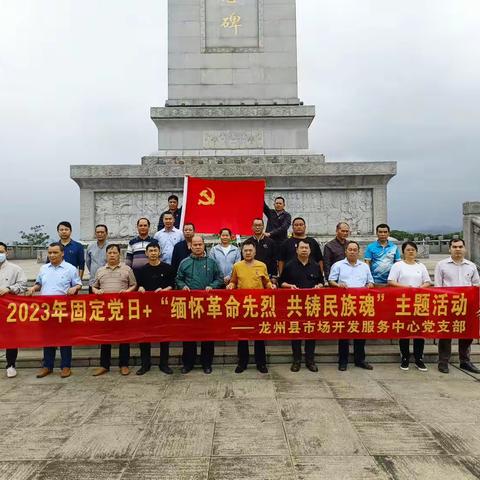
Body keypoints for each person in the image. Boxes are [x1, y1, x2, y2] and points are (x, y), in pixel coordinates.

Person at [27, 243, 82, 378]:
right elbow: (39, 283)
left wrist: (75, 288)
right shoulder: (44, 268)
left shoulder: (70, 268)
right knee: (48, 338)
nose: (52, 255)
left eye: (55, 252)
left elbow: (78, 283)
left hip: (63, 309)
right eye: (50, 253)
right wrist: (33, 289)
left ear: (62, 253)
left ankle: (65, 366)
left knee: (64, 338)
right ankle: (47, 366)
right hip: (46, 309)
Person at [176, 235, 224, 374]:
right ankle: (188, 363)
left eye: (200, 244)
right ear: (190, 246)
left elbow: (219, 278)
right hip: (190, 305)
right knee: (189, 335)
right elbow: (178, 279)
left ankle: (206, 363)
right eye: (195, 244)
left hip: (208, 304)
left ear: (204, 246)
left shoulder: (212, 262)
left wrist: (212, 286)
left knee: (207, 335)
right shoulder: (184, 262)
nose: (197, 247)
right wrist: (182, 286)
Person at [227, 240, 275, 374]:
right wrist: (230, 286)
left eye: (250, 250)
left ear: (255, 252)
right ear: (242, 252)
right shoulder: (237, 266)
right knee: (242, 336)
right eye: (245, 251)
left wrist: (271, 286)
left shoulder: (262, 265)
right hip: (243, 306)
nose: (248, 253)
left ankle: (261, 363)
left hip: (258, 306)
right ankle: (242, 363)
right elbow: (233, 281)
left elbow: (266, 283)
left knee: (259, 336)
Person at [435, 238, 480, 374]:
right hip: (447, 304)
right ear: (450, 249)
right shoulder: (441, 265)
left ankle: (465, 361)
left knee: (467, 333)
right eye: (454, 247)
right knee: (445, 333)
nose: (458, 249)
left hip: (467, 305)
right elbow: (438, 286)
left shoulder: (471, 266)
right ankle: (443, 362)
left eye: (460, 247)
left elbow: (477, 286)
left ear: (464, 248)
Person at [91, 244, 137, 376]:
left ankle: (124, 364)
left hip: (122, 309)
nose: (112, 255)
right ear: (106, 255)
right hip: (106, 310)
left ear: (119, 254)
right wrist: (97, 291)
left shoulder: (127, 269)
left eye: (114, 253)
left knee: (124, 338)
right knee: (106, 338)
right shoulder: (100, 270)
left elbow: (134, 284)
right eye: (109, 253)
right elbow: (94, 286)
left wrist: (127, 291)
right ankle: (104, 365)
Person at [329, 241, 374, 371]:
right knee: (344, 333)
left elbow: (370, 281)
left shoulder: (364, 266)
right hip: (345, 303)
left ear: (359, 252)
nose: (352, 252)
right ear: (346, 251)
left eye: (355, 250)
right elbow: (331, 281)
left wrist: (369, 285)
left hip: (361, 303)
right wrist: (338, 285)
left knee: (360, 332)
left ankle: (360, 360)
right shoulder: (338, 265)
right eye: (350, 249)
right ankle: (343, 361)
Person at [280, 239, 324, 372]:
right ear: (297, 250)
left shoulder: (315, 265)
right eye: (302, 248)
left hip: (312, 304)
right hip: (295, 305)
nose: (304, 250)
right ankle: (297, 360)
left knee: (311, 332)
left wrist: (319, 286)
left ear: (310, 251)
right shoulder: (289, 265)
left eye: (306, 248)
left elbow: (322, 282)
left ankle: (310, 360)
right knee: (296, 332)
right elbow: (281, 283)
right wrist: (289, 286)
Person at [388, 241, 431, 371]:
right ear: (403, 252)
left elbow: (428, 281)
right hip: (403, 302)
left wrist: (419, 288)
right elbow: (391, 281)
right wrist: (407, 288)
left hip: (419, 301)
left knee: (419, 330)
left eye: (413, 249)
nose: (411, 252)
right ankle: (405, 357)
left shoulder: (421, 266)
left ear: (416, 251)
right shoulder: (398, 265)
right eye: (408, 250)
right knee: (404, 330)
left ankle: (419, 359)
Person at [135, 242, 175, 375]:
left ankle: (164, 364)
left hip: (163, 307)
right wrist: (140, 288)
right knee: (145, 336)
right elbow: (138, 286)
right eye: (150, 251)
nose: (153, 253)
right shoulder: (141, 270)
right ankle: (145, 364)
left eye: (155, 250)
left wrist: (165, 290)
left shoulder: (168, 268)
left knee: (164, 336)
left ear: (159, 252)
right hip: (146, 309)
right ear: (146, 253)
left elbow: (172, 285)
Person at [0, 241, 27, 378]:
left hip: (9, 308)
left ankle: (11, 365)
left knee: (10, 337)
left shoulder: (15, 269)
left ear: (6, 252)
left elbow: (23, 285)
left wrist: (9, 289)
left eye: (1, 252)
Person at [85, 224, 108, 293]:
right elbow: (88, 262)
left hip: (107, 281)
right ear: (95, 234)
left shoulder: (111, 247)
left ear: (106, 233)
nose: (100, 234)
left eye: (102, 232)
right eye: (98, 232)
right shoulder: (90, 247)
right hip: (93, 282)